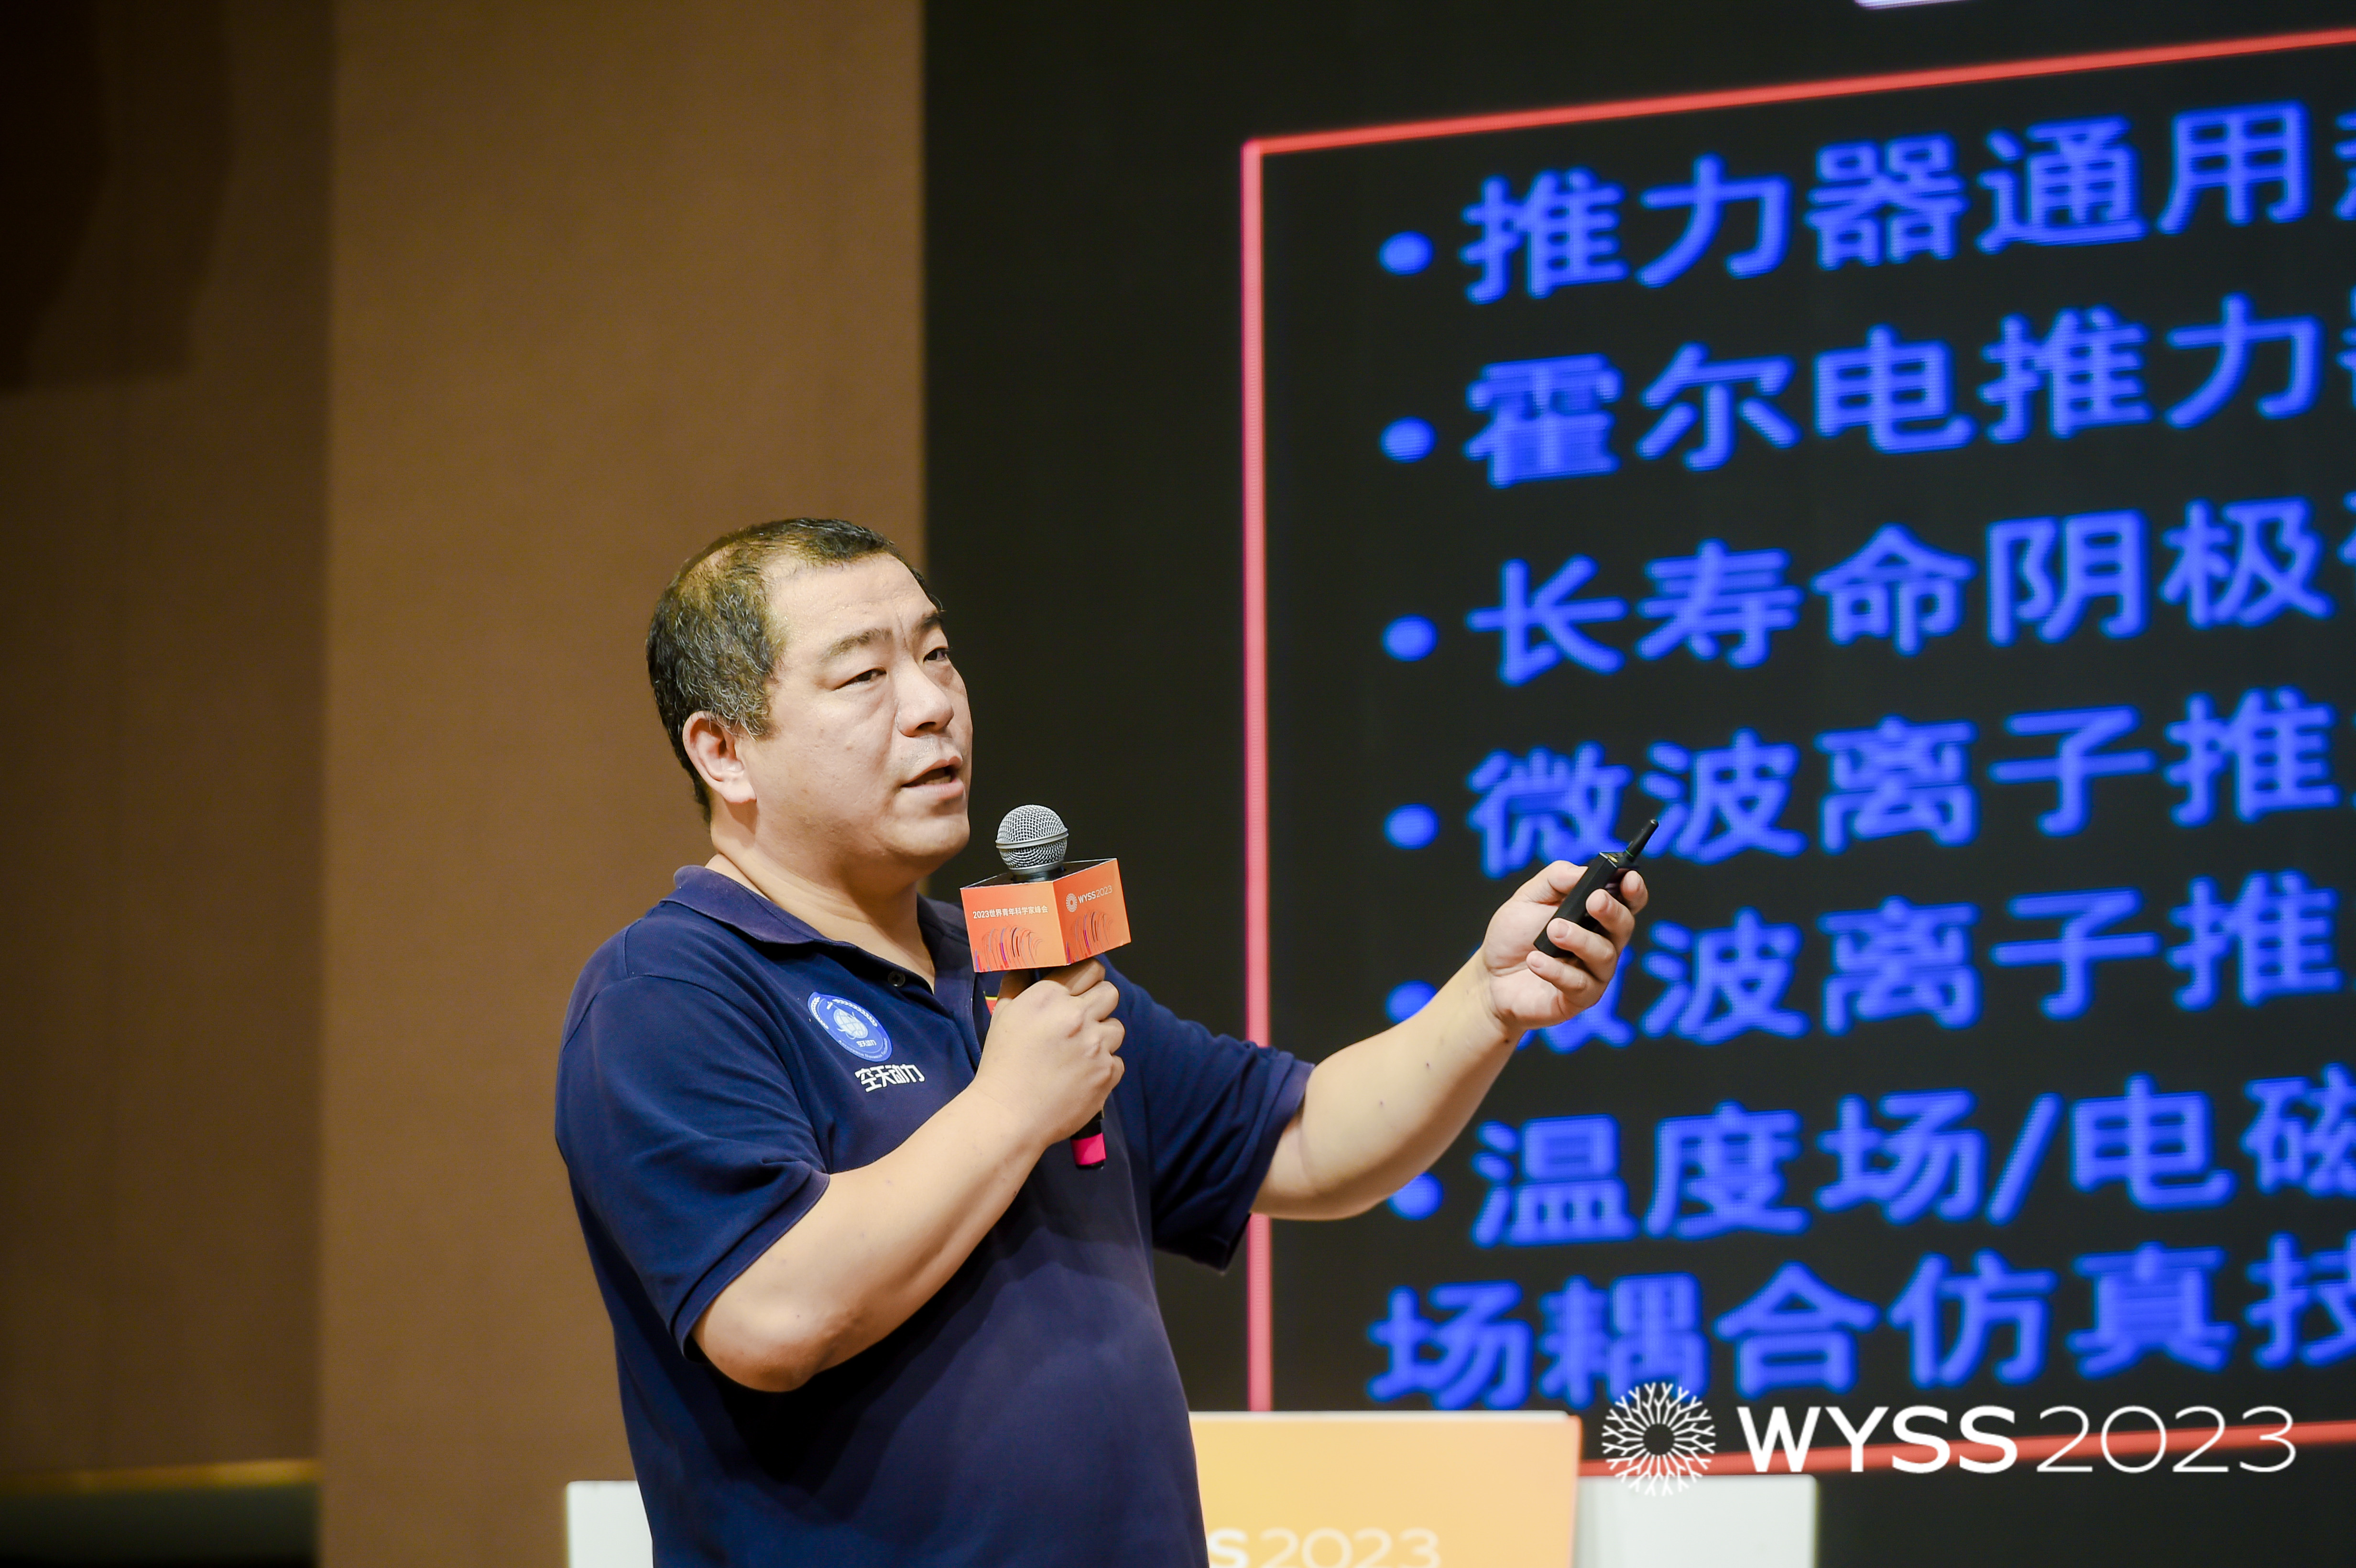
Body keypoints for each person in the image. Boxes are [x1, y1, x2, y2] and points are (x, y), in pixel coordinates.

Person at [555, 518, 1646, 1567]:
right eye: (864, 675)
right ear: (724, 751)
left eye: (937, 655)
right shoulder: (670, 989)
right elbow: (773, 1312)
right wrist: (1009, 1109)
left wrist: (1487, 999)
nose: (933, 705)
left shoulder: (1012, 967)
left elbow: (1307, 1143)